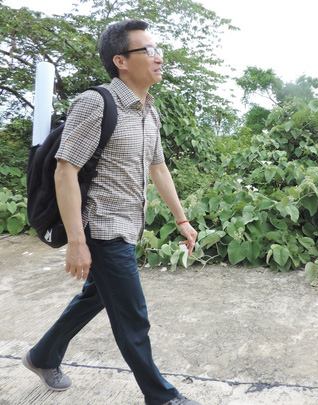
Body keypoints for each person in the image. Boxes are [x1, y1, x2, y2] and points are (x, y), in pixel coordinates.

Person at [22, 20, 200, 405]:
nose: (158, 57)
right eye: (147, 50)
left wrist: (182, 219)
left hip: (128, 225)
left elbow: (159, 168)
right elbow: (65, 170)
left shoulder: (148, 110)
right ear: (121, 60)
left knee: (96, 297)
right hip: (101, 228)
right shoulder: (96, 103)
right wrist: (77, 242)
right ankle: (162, 397)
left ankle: (43, 356)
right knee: (133, 316)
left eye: (157, 49)